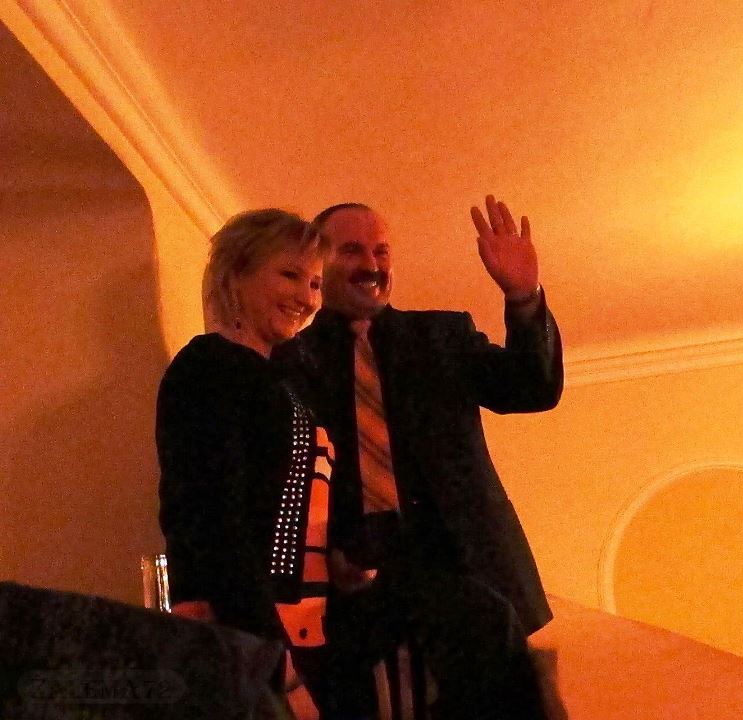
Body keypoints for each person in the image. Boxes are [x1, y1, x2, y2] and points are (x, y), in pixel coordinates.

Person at [273, 195, 563, 718]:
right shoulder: (286, 361)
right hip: (345, 591)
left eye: (382, 251)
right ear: (316, 264)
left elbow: (533, 387)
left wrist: (523, 296)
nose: (372, 264)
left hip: (463, 573)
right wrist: (321, 553)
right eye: (352, 250)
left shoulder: (442, 336)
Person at [155, 208, 331, 720]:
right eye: (290, 274)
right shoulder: (209, 368)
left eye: (315, 283)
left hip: (298, 628)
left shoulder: (281, 381)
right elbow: (210, 521)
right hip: (245, 633)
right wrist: (277, 664)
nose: (307, 297)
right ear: (236, 274)